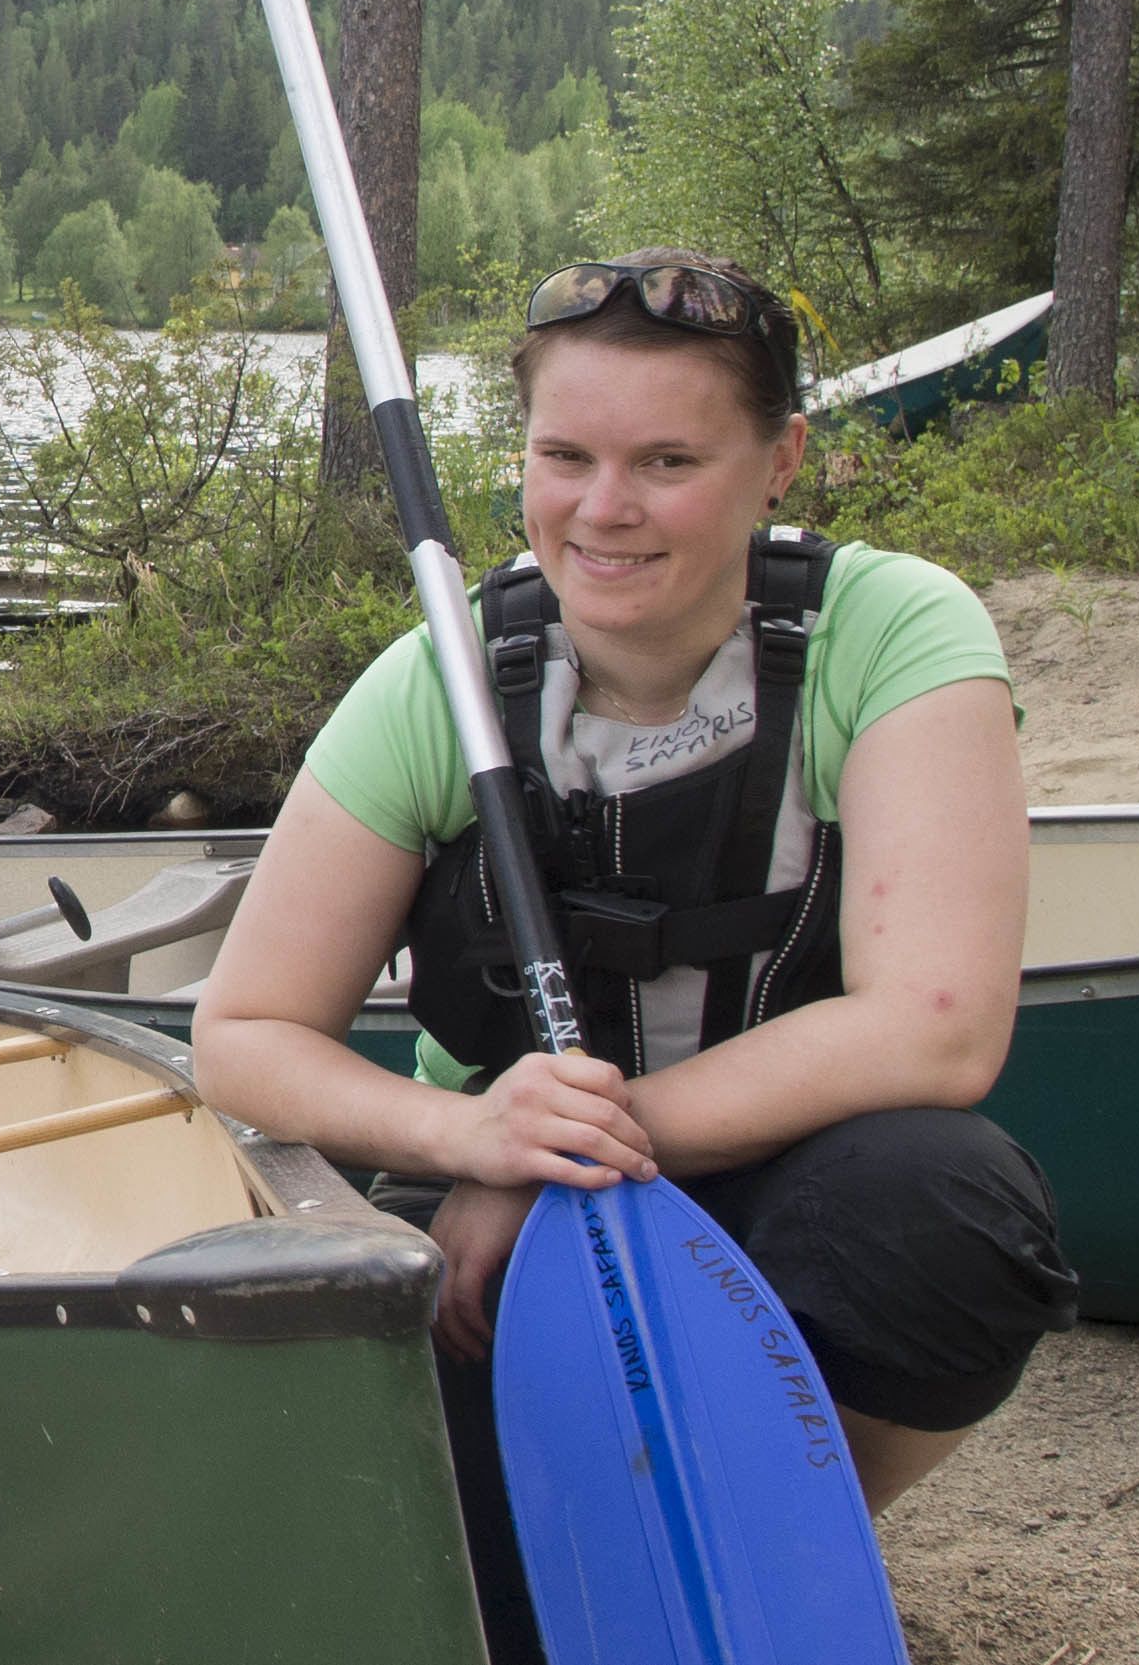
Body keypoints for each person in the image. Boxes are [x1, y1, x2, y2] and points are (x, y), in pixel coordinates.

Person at [188, 251, 1077, 1660]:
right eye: (565, 455)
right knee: (487, 1600)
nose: (602, 508)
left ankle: (769, 1538)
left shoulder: (896, 632)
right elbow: (242, 1031)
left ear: (779, 458)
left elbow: (936, 1027)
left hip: (767, 1180)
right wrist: (469, 1136)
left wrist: (558, 1159)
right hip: (475, 1218)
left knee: (950, 1205)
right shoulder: (440, 675)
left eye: (668, 458)